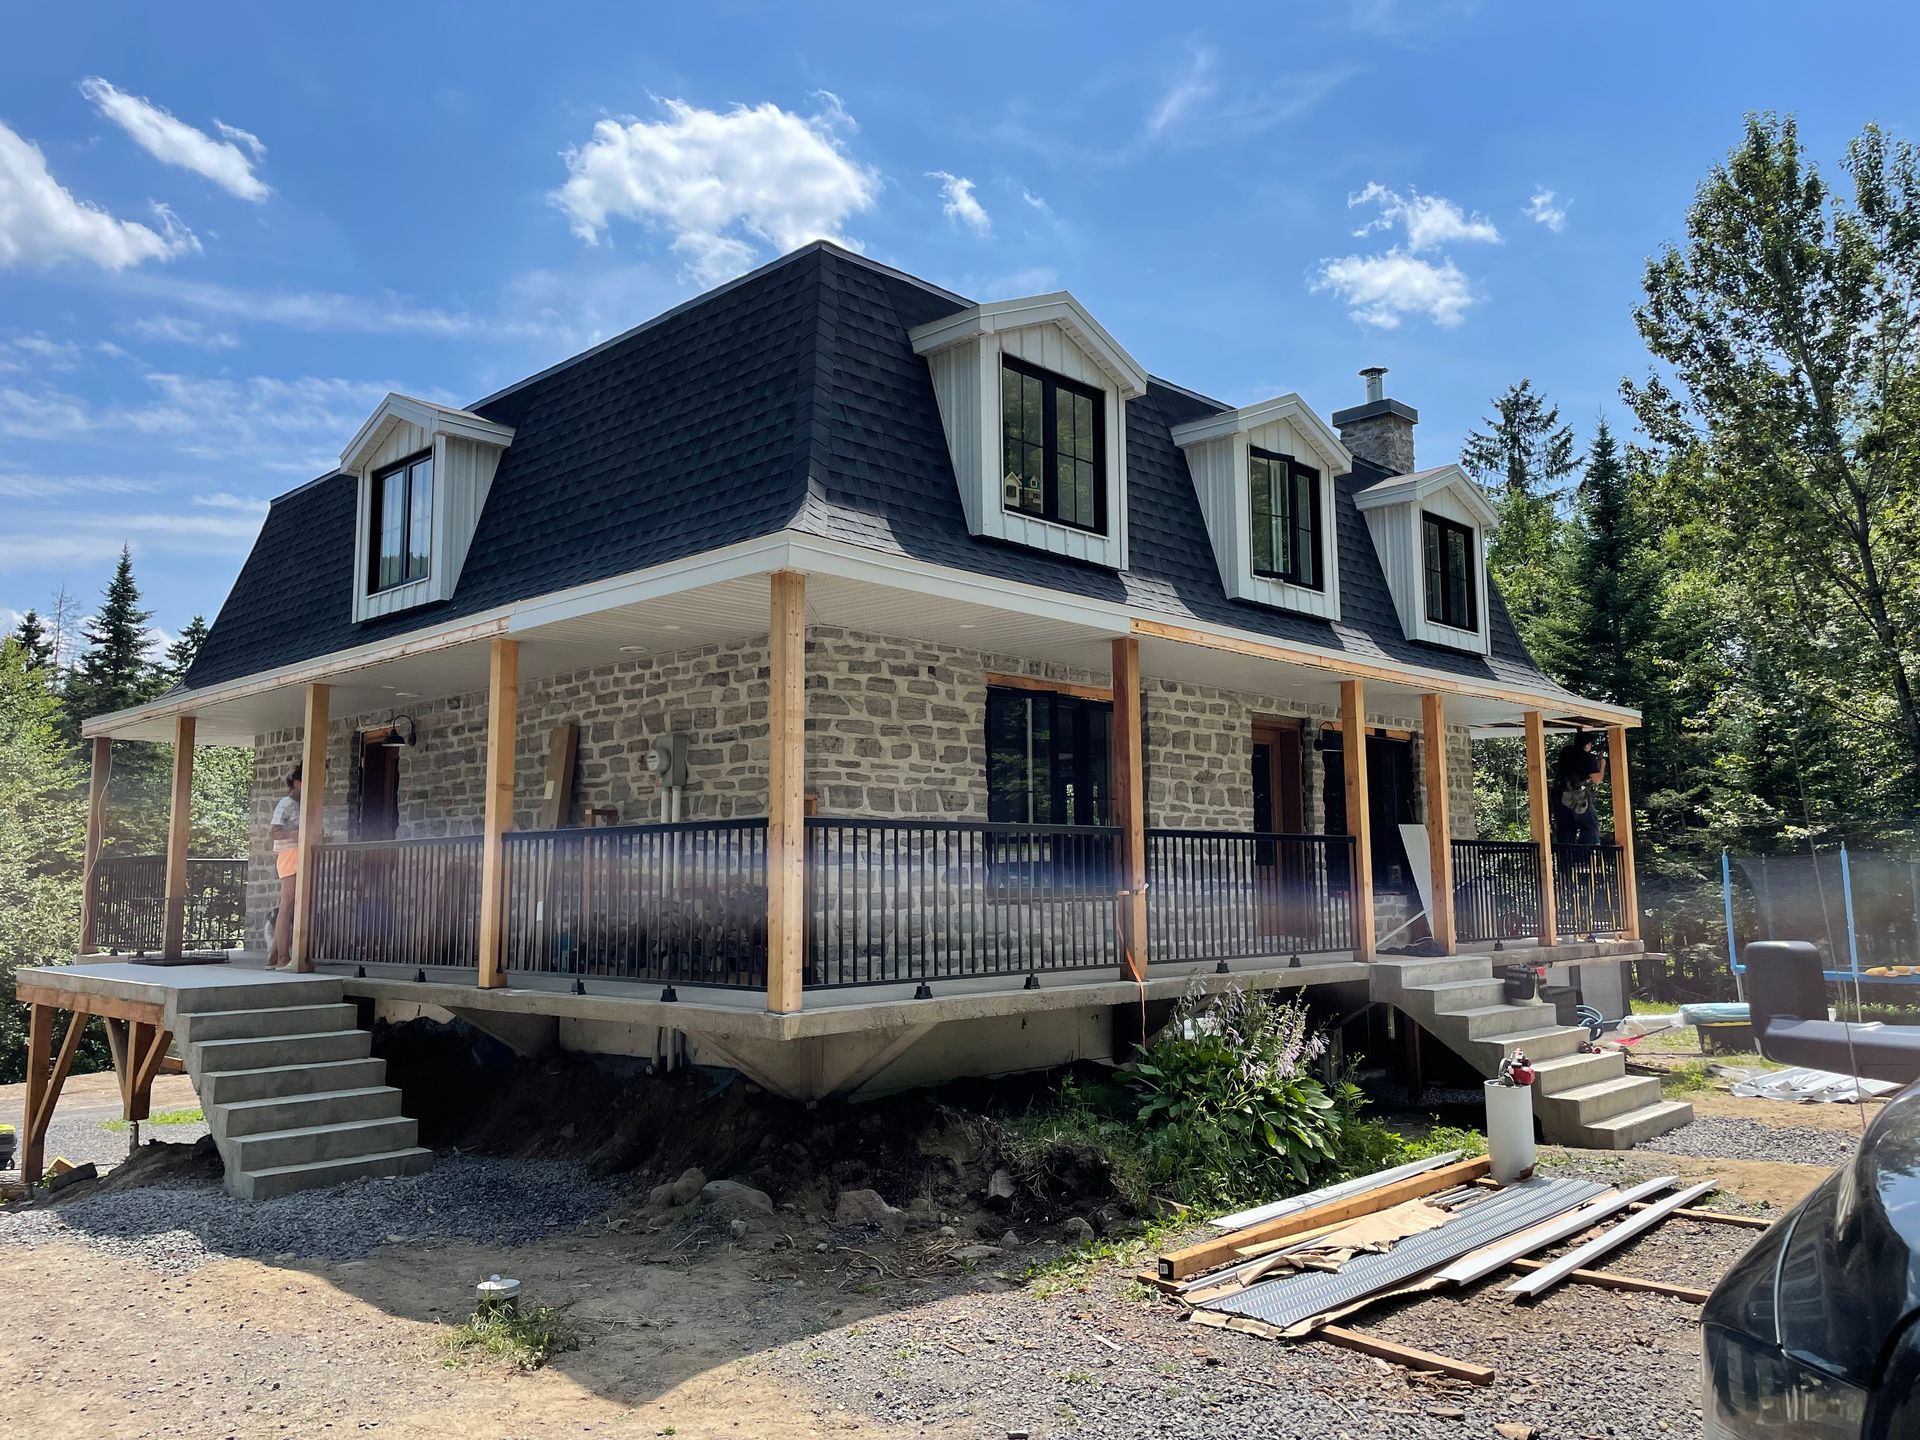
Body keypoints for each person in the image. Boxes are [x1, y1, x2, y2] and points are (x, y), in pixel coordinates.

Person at [267, 765, 304, 968]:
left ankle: (272, 957)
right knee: (287, 905)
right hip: (289, 855)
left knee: (292, 906)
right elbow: (273, 832)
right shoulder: (286, 804)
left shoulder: (303, 804)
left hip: (300, 854)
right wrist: (296, 834)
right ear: (297, 783)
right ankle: (283, 958)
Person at [1550, 731, 1606, 845]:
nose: (1591, 747)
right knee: (1590, 827)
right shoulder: (1587, 757)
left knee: (1565, 830)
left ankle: (1565, 861)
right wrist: (1602, 764)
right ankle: (1581, 858)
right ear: (1586, 745)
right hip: (1576, 795)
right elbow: (1596, 780)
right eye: (1590, 744)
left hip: (1558, 794)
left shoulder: (1566, 752)